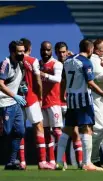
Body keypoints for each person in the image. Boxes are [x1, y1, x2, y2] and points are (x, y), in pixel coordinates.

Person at [56, 39, 103, 171]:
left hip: (71, 100)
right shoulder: (86, 62)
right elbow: (90, 83)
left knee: (67, 130)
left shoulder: (67, 61)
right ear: (90, 50)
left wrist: (62, 95)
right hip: (83, 100)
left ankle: (59, 162)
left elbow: (63, 80)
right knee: (87, 129)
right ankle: (87, 163)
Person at [19, 38, 55, 170]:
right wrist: (39, 97)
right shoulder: (32, 61)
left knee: (20, 130)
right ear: (30, 48)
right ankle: (42, 161)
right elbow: (38, 82)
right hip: (31, 98)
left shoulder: (11, 60)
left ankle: (22, 162)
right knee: (39, 127)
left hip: (17, 99)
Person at [0, 41, 26, 170]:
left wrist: (22, 88)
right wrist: (13, 95)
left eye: (23, 50)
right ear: (12, 52)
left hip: (15, 104)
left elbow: (18, 82)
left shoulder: (21, 64)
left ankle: (12, 162)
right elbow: (0, 83)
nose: (22, 53)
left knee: (20, 131)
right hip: (4, 103)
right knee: (6, 133)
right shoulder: (6, 63)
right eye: (20, 51)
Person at [55, 42, 80, 168]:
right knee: (58, 132)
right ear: (56, 53)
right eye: (59, 52)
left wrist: (74, 55)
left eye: (64, 51)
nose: (62, 54)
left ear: (67, 51)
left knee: (74, 131)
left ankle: (80, 161)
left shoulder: (72, 63)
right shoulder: (54, 64)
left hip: (70, 101)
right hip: (56, 102)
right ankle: (62, 161)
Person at [39, 41, 64, 168]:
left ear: (51, 51)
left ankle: (62, 160)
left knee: (57, 131)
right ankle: (52, 161)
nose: (45, 52)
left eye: (48, 50)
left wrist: (44, 75)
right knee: (46, 132)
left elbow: (58, 79)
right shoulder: (38, 64)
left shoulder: (56, 64)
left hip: (54, 102)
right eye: (43, 50)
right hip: (43, 103)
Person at [89, 39, 103, 168]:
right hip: (95, 99)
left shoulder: (101, 60)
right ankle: (91, 159)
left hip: (101, 100)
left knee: (101, 130)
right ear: (97, 50)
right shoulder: (94, 60)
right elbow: (98, 79)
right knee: (100, 129)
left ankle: (94, 159)